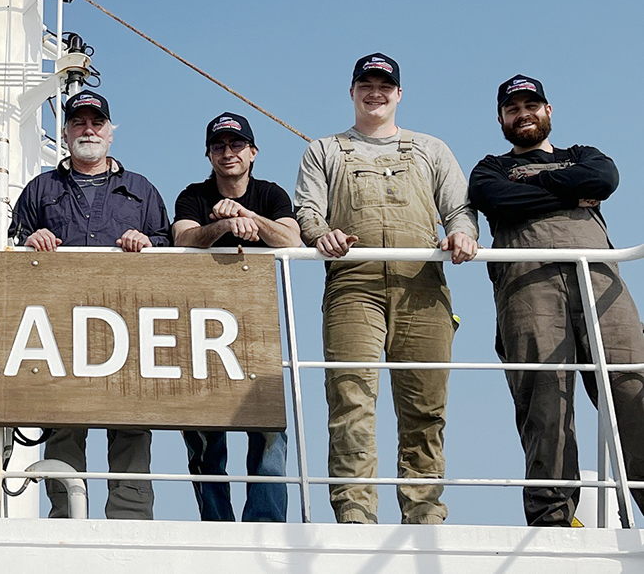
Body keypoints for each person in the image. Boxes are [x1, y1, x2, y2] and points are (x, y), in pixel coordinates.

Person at [293, 53, 478, 525]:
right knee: (351, 399)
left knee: (425, 406)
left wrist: (462, 234)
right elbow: (307, 211)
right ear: (352, 92)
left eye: (384, 86)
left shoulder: (431, 149)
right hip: (353, 285)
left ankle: (424, 514)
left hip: (423, 285)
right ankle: (355, 514)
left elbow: (459, 209)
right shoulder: (325, 150)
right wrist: (321, 235)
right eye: (366, 85)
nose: (375, 93)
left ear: (399, 94)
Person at [468, 75, 644, 526]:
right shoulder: (490, 169)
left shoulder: (584, 155)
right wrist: (567, 189)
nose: (523, 114)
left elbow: (603, 178)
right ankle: (553, 518)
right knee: (545, 401)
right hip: (528, 288)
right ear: (501, 119)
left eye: (532, 105)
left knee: (633, 388)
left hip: (601, 284)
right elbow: (497, 200)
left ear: (548, 110)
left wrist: (537, 185)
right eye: (512, 108)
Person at [10, 89, 171, 520]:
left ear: (110, 132)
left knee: (131, 422)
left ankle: (130, 520)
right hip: (57, 327)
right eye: (78, 122)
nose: (88, 130)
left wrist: (147, 243)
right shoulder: (40, 189)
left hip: (129, 324)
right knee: (64, 424)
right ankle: (65, 516)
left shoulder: (142, 190)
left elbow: (168, 245)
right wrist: (29, 240)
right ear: (65, 133)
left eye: (96, 122)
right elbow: (11, 244)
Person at [172, 111, 300, 522]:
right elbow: (182, 239)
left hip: (258, 325)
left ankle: (266, 521)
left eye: (236, 144)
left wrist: (249, 218)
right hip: (200, 324)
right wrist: (224, 224)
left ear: (253, 152)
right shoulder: (193, 195)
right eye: (219, 145)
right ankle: (216, 524)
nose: (228, 152)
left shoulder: (271, 194)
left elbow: (292, 240)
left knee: (268, 428)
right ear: (209, 154)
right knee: (203, 429)